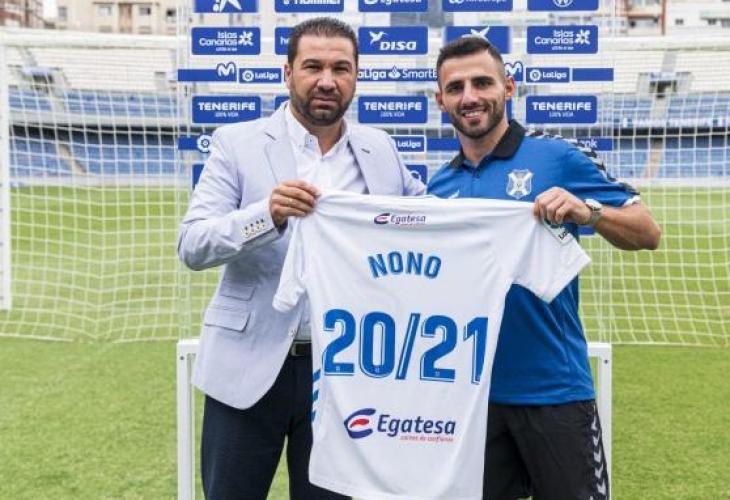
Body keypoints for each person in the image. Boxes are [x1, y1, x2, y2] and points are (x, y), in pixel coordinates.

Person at [177, 17, 424, 500]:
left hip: (344, 374)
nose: (327, 81)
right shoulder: (237, 143)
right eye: (313, 67)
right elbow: (193, 244)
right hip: (246, 369)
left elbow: (431, 219)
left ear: (356, 76)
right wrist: (265, 215)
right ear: (288, 73)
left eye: (341, 68)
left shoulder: (380, 149)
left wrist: (515, 215)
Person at [428, 36, 661, 500]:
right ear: (441, 100)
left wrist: (588, 212)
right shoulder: (439, 187)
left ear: (508, 87)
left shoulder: (557, 157)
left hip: (555, 391)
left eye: (482, 83)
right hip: (471, 398)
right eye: (455, 88)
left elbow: (647, 232)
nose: (469, 96)